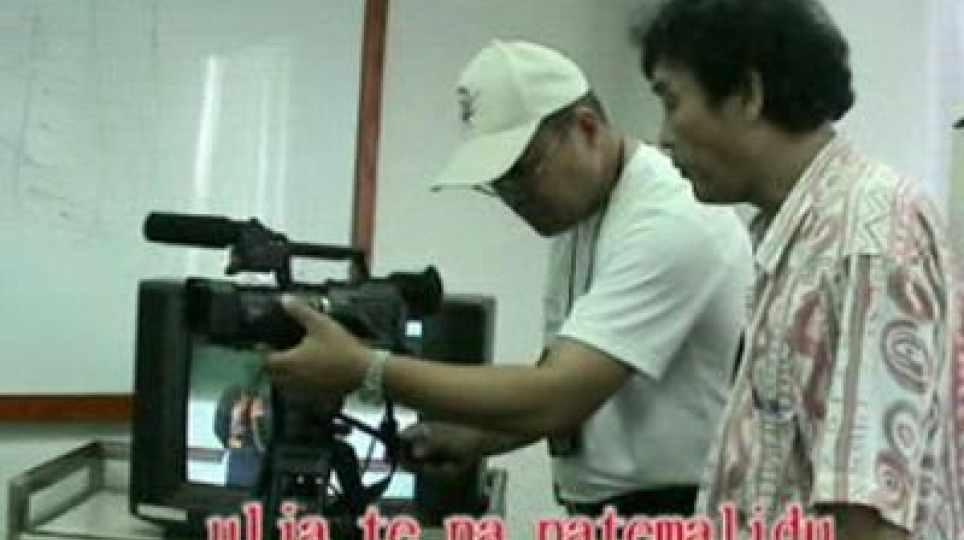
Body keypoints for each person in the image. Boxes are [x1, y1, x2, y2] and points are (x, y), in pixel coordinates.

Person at [266, 40, 753, 517]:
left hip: (683, 512)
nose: (513, 196)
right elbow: (562, 375)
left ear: (586, 128)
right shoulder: (582, 216)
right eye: (497, 182)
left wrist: (367, 369)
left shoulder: (670, 222)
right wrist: (478, 436)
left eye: (522, 170)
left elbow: (558, 395)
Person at [633, 0, 964, 537]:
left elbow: (867, 513)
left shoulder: (869, 232)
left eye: (672, 102)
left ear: (747, 94)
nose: (664, 137)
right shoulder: (795, 233)